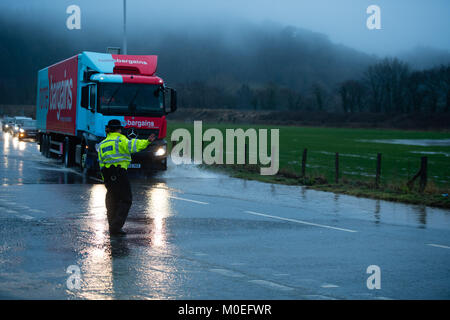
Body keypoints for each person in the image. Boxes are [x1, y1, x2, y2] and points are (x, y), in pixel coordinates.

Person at [98, 119, 156, 236]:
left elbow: (101, 162)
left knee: (111, 200)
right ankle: (116, 227)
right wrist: (147, 141)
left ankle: (112, 226)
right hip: (119, 173)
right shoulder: (120, 140)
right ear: (119, 129)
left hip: (107, 175)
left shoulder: (102, 144)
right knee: (125, 200)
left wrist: (105, 179)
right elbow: (134, 145)